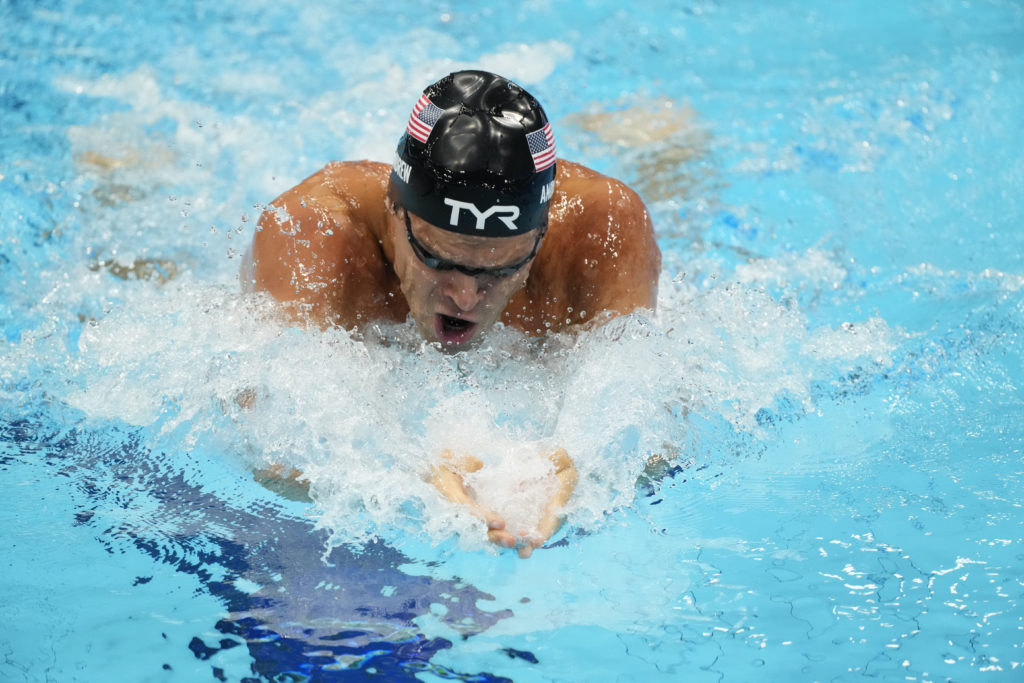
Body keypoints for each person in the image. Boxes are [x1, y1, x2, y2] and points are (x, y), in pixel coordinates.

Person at [245, 70, 661, 557]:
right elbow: (270, 445)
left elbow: (652, 418)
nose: (466, 297)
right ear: (393, 209)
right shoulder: (314, 233)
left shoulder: (602, 230)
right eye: (438, 260)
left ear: (541, 235)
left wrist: (585, 464)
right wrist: (406, 475)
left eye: (502, 270)